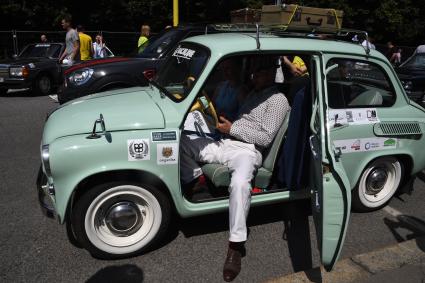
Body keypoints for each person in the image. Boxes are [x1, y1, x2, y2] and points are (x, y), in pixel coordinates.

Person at [180, 58, 290, 282]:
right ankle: (198, 180)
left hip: (248, 151)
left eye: (258, 71)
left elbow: (266, 138)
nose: (253, 76)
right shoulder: (253, 94)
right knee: (179, 144)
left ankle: (236, 245)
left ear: (270, 72)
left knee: (240, 184)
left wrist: (233, 127)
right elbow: (240, 120)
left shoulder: (278, 100)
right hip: (229, 141)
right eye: (252, 72)